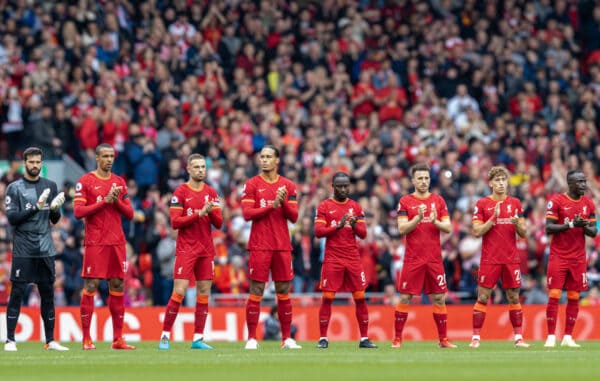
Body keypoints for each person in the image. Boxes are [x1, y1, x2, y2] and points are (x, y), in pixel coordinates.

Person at [4, 146, 68, 351]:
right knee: (18, 292)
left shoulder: (50, 185)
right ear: (25, 163)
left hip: (45, 247)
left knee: (48, 293)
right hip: (23, 248)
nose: (35, 165)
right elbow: (12, 218)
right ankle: (10, 340)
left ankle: (50, 341)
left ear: (42, 163)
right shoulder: (14, 188)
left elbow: (54, 220)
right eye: (31, 162)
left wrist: (55, 210)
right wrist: (36, 207)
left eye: (38, 162)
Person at [73, 143, 135, 350]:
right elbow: (78, 212)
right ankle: (86, 338)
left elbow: (130, 213)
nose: (109, 159)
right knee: (91, 286)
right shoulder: (85, 181)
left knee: (117, 286)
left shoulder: (119, 182)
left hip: (117, 241)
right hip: (95, 241)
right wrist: (104, 201)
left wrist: (115, 201)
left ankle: (118, 339)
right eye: (105, 156)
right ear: (97, 158)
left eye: (112, 156)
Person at [158, 154, 223, 350]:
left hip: (206, 249)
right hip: (186, 249)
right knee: (179, 292)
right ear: (188, 169)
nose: (201, 170)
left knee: (204, 293)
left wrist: (212, 211)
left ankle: (198, 338)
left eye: (203, 167)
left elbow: (219, 224)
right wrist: (199, 213)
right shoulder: (180, 192)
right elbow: (175, 222)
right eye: (196, 167)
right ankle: (164, 336)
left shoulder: (211, 192)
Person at [241, 145, 301, 350]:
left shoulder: (288, 185)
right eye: (262, 157)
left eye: (269, 157)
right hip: (259, 245)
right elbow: (247, 214)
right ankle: (251, 338)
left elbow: (294, 217)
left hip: (282, 245)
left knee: (283, 291)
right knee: (256, 290)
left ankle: (287, 339)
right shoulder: (251, 184)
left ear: (277, 160)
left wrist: (283, 203)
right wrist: (272, 205)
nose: (264, 160)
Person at [392, 163, 456, 349]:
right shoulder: (405, 201)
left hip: (434, 258)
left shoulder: (438, 200)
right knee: (405, 298)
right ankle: (397, 339)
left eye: (426, 178)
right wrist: (418, 218)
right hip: (413, 259)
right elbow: (402, 228)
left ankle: (443, 340)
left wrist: (435, 220)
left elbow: (448, 228)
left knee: (439, 298)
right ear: (413, 180)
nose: (423, 181)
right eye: (419, 178)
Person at [313, 172, 377, 349]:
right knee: (327, 297)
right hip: (333, 258)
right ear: (332, 187)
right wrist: (337, 225)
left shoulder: (356, 207)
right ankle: (323, 338)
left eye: (345, 186)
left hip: (352, 258)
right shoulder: (324, 206)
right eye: (339, 186)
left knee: (360, 297)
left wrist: (355, 224)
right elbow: (318, 232)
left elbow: (363, 234)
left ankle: (364, 338)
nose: (343, 189)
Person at [469, 166, 530, 348]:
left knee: (514, 297)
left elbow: (524, 232)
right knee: (483, 297)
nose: (501, 183)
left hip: (510, 259)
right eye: (497, 180)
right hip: (490, 259)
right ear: (490, 183)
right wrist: (492, 219)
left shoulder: (515, 203)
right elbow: (476, 231)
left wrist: (516, 225)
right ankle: (476, 338)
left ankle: (518, 338)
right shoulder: (482, 204)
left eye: (503, 180)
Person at [544, 169, 597, 348]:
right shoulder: (557, 201)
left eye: (584, 181)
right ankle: (551, 336)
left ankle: (568, 336)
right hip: (559, 255)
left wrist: (582, 226)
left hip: (578, 258)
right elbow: (549, 228)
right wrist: (571, 224)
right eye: (580, 182)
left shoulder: (589, 204)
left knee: (574, 296)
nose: (584, 185)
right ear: (570, 184)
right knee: (554, 294)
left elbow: (594, 232)